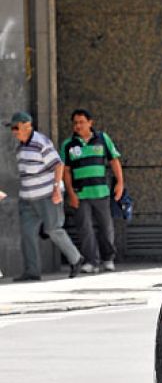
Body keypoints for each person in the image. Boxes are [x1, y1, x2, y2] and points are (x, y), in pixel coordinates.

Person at [8, 112, 84, 281]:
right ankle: (32, 271)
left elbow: (58, 165)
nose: (14, 132)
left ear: (27, 125)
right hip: (27, 198)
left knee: (53, 229)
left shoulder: (41, 142)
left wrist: (57, 189)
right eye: (12, 128)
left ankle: (76, 258)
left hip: (47, 196)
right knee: (27, 234)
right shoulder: (20, 146)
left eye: (16, 127)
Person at [61, 108, 124, 273]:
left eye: (81, 122)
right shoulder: (68, 144)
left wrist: (120, 184)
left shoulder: (102, 139)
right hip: (80, 193)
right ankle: (91, 261)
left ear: (90, 122)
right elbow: (65, 171)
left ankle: (108, 259)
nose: (78, 126)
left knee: (106, 227)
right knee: (85, 228)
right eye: (75, 123)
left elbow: (114, 161)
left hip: (101, 192)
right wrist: (70, 193)